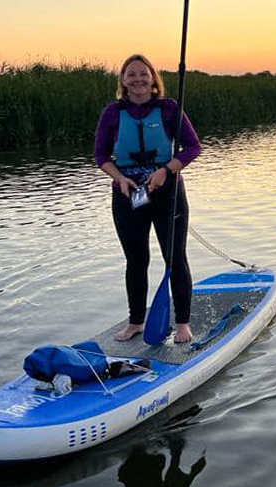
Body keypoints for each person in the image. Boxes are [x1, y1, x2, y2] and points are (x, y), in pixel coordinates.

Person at [95, 54, 201, 343]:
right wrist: (119, 178)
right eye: (132, 75)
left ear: (154, 79)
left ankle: (182, 323)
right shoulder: (112, 113)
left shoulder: (169, 109)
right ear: (123, 81)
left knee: (174, 259)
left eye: (144, 74)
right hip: (129, 194)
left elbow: (192, 147)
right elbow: (101, 156)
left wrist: (167, 170)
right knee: (136, 260)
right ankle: (136, 322)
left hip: (168, 193)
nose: (138, 79)